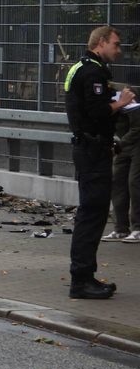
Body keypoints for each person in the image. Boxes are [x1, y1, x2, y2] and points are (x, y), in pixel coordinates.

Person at [64, 26, 135, 299]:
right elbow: (95, 111)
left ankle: (84, 276)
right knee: (92, 215)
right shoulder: (93, 71)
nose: (118, 50)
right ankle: (81, 281)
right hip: (92, 152)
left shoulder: (80, 67)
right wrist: (123, 102)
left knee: (90, 214)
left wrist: (110, 140)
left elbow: (84, 113)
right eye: (115, 45)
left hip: (90, 147)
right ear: (101, 43)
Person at [105, 100, 140, 243]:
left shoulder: (128, 96)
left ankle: (138, 228)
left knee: (135, 183)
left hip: (135, 143)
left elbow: (137, 128)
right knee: (117, 182)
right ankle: (120, 228)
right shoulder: (105, 100)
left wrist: (120, 144)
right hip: (123, 143)